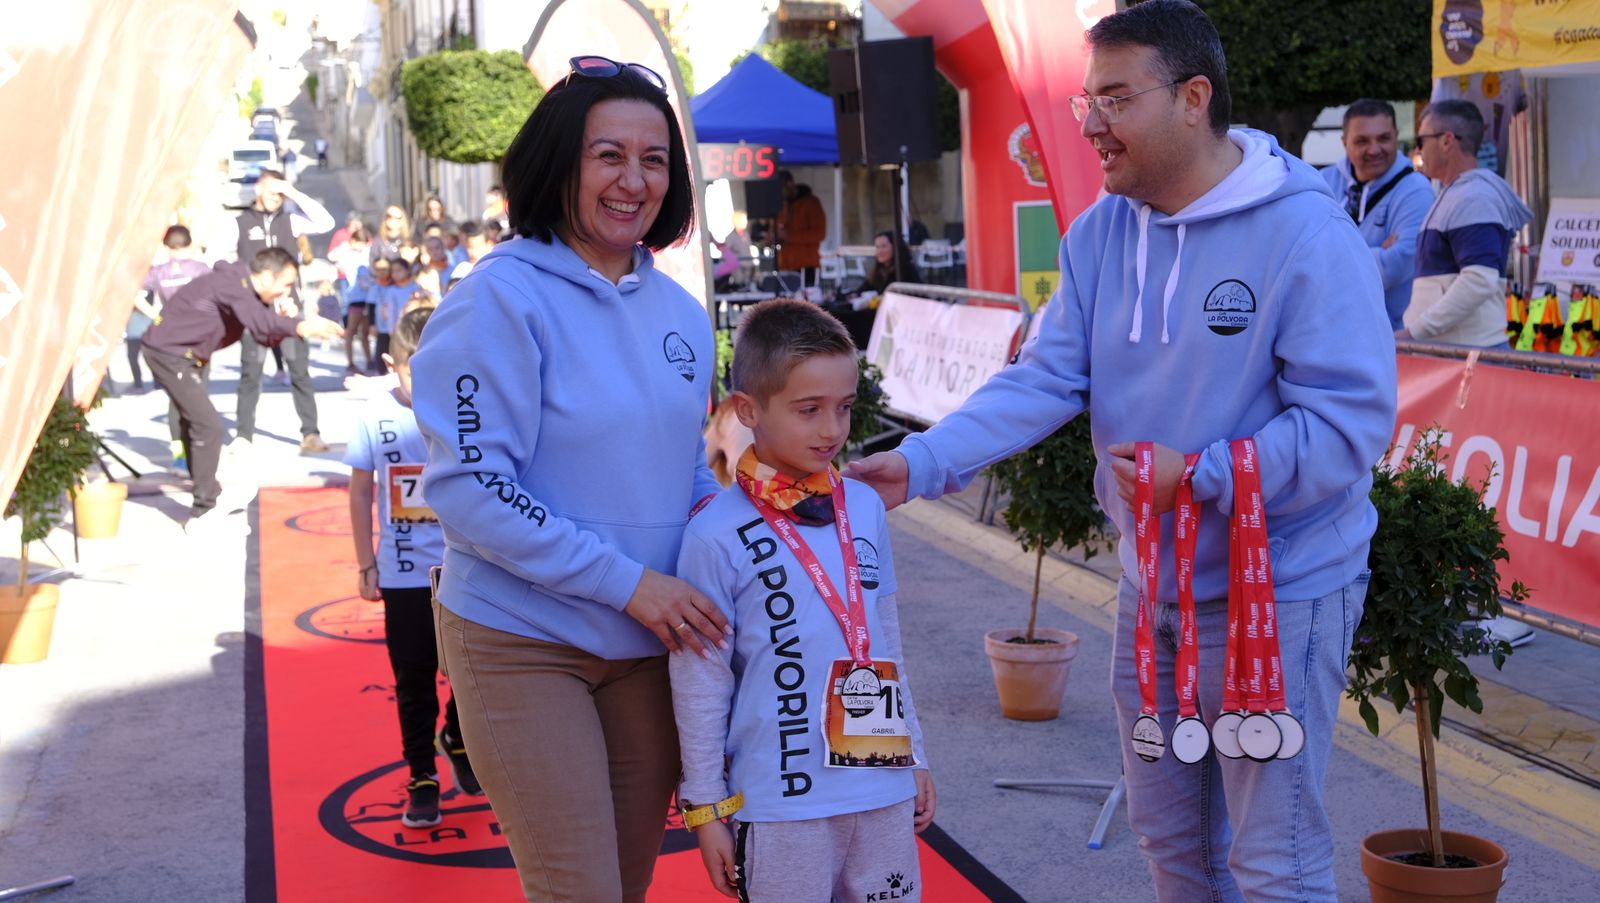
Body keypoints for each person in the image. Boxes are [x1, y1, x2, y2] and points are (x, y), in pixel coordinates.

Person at [846, 3, 1395, 900]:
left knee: (1273, 858)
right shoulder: (1102, 232)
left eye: (1113, 99)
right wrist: (923, 462)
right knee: (1171, 840)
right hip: (1154, 595)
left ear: (1193, 98)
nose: (1091, 124)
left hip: (1281, 593)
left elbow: (1348, 424)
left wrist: (1206, 473)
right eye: (1084, 103)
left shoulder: (1307, 234)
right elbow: (1047, 377)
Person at [410, 54, 728, 903]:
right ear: (560, 164)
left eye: (654, 159)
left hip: (650, 646)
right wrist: (629, 584)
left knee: (621, 889)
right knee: (577, 891)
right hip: (521, 640)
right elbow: (472, 490)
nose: (634, 181)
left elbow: (685, 464)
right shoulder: (495, 302)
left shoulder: (683, 316)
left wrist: (747, 523)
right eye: (609, 155)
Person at [671, 299, 935, 901]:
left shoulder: (863, 507)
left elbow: (884, 637)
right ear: (748, 410)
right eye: (809, 410)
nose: (832, 430)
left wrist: (915, 755)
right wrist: (705, 803)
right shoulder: (714, 532)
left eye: (843, 408)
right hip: (780, 798)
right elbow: (700, 675)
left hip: (882, 787)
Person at [345, 305, 482, 830]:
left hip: (467, 567)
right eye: (411, 370)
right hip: (403, 574)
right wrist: (365, 563)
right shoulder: (373, 417)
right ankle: (422, 773)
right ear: (391, 364)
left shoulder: (468, 407)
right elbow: (360, 492)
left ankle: (460, 736)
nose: (425, 381)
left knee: (471, 670)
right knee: (414, 677)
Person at [140, 248, 342, 524]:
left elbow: (262, 332)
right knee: (208, 425)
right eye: (285, 285)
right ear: (268, 277)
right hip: (169, 354)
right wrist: (299, 326)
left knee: (195, 422)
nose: (285, 292)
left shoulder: (243, 286)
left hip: (187, 354)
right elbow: (261, 322)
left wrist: (289, 323)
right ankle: (203, 508)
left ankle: (206, 488)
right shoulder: (233, 285)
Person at [1402, 98, 1532, 349]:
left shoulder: (1473, 197)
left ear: (1446, 140)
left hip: (1469, 355)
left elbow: (1479, 279)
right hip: (1461, 352)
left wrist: (1416, 331)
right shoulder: (1462, 193)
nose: (1418, 151)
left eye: (1421, 142)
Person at [231, 170, 334, 452]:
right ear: (257, 190)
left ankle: (310, 433)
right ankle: (243, 436)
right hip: (255, 311)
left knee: (300, 372)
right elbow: (220, 261)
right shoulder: (239, 223)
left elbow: (326, 222)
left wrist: (293, 193)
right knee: (251, 373)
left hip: (289, 310)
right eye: (272, 191)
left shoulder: (290, 221)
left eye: (280, 193)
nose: (277, 197)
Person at [1320, 99, 1434, 330]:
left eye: (1383, 138)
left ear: (1396, 136)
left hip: (1392, 339)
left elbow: (1399, 264)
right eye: (1362, 141)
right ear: (1344, 142)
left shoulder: (1416, 190)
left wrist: (1328, 256)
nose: (1374, 150)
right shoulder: (1321, 183)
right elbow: (1299, 256)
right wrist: (1378, 252)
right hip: (1329, 332)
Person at [830, 231, 918, 349]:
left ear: (895, 247)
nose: (880, 251)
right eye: (877, 247)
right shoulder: (878, 271)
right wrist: (850, 295)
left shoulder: (905, 271)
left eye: (883, 246)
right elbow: (864, 288)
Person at [776, 170, 826, 287]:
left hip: (807, 267)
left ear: (789, 184)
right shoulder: (782, 206)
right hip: (785, 267)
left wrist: (789, 236)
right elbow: (776, 232)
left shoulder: (811, 203)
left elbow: (820, 233)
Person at [374, 258, 414, 371]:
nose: (396, 274)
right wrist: (392, 331)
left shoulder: (415, 288)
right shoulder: (390, 290)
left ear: (407, 270)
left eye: (399, 270)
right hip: (394, 331)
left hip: (411, 329)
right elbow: (389, 313)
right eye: (393, 271)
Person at [445, 220, 495, 289]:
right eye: (469, 247)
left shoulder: (497, 267)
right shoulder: (462, 269)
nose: (472, 252)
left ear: (489, 244)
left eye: (478, 247)